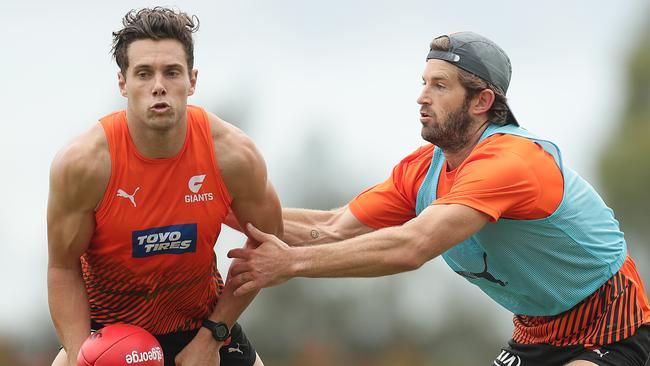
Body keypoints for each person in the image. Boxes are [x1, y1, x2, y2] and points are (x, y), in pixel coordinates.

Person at [226, 32, 650, 365]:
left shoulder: (510, 162)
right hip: (536, 330)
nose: (421, 97)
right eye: (424, 83)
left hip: (613, 320)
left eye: (440, 86)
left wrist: (292, 263)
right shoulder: (422, 170)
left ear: (483, 101)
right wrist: (215, 203)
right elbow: (331, 227)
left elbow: (412, 247)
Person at [47, 7, 282, 366]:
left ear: (192, 80)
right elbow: (62, 268)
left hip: (201, 327)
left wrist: (213, 336)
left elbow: (268, 248)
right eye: (143, 73)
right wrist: (86, 357)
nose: (158, 85)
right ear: (123, 82)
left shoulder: (233, 155)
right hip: (109, 333)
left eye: (171, 72)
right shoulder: (84, 164)